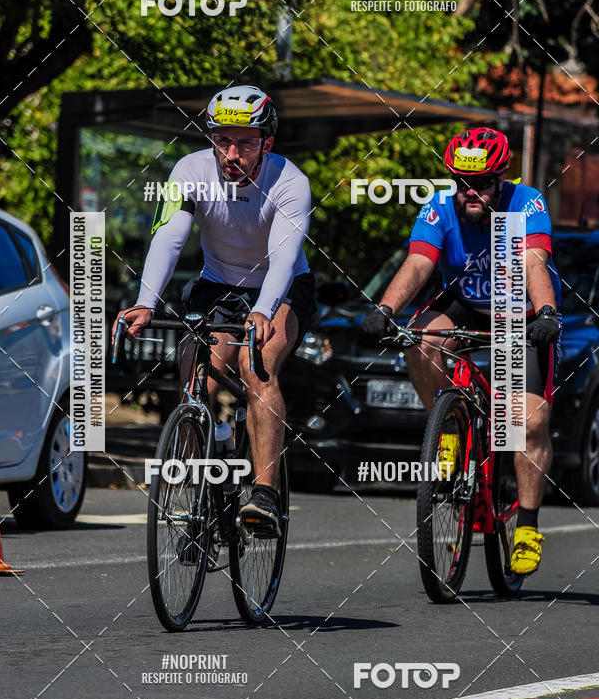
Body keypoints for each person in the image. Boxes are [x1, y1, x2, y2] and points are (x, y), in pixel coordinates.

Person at [112, 85, 316, 537]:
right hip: (218, 283)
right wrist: (146, 301)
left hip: (281, 286)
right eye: (222, 140)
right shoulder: (190, 169)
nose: (231, 153)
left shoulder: (290, 182)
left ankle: (264, 495)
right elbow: (169, 236)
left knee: (256, 366)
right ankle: (212, 464)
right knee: (195, 376)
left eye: (245, 142)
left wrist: (264, 310)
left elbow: (284, 257)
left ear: (267, 142)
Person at [361, 127, 561, 576]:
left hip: (520, 311)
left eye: (482, 184)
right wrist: (385, 308)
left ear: (502, 178)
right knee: (421, 341)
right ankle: (449, 427)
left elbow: (533, 262)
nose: (471, 193)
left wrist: (547, 312)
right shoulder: (438, 206)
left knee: (527, 423)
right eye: (462, 183)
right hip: (466, 304)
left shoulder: (525, 203)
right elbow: (419, 262)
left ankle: (527, 526)